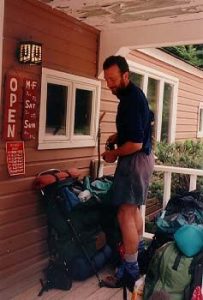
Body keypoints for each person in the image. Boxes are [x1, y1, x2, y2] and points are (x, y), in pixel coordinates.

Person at [102, 55, 154, 290]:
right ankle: (138, 259)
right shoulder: (134, 96)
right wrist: (117, 136)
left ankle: (130, 272)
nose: (109, 84)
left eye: (113, 79)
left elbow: (135, 143)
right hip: (142, 161)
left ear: (126, 75)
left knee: (124, 213)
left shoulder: (131, 100)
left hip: (134, 161)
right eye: (106, 80)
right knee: (132, 212)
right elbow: (137, 130)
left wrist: (113, 154)